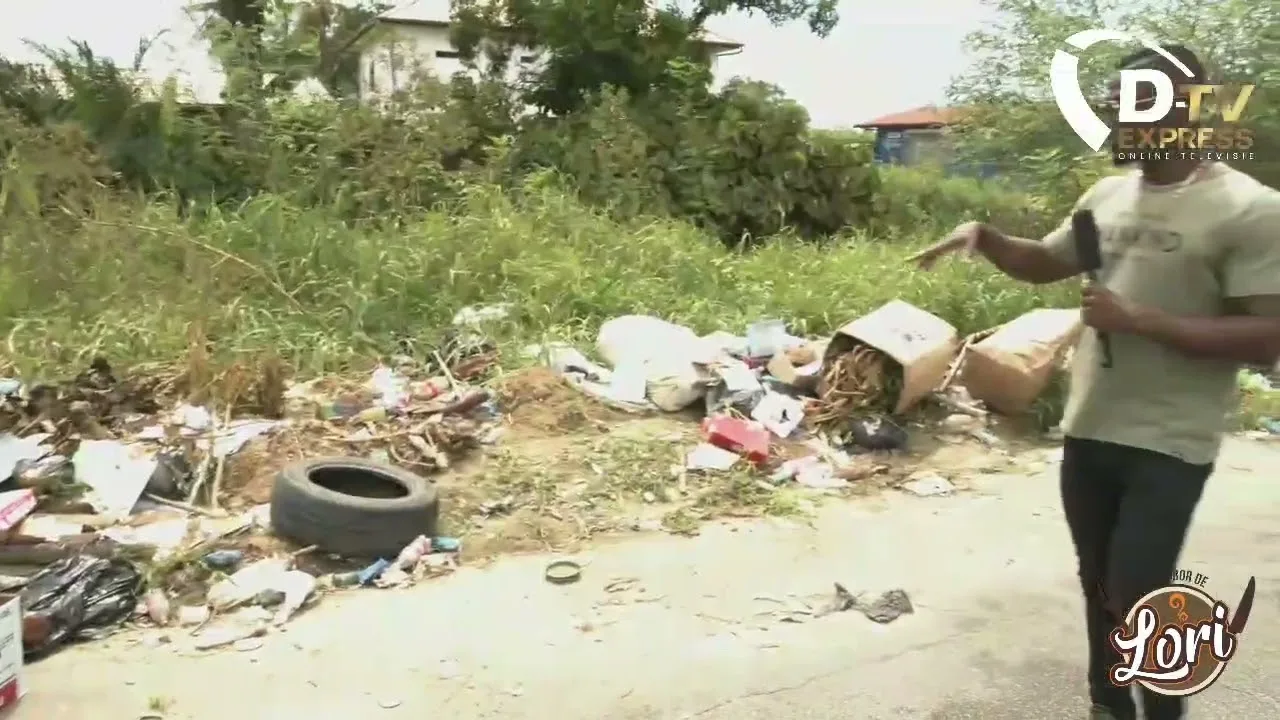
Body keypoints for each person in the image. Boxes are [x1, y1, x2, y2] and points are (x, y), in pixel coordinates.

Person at [909, 44, 1280, 720]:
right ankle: (1108, 706)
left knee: (1140, 587)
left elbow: (1265, 335)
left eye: (1135, 103)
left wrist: (1140, 320)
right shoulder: (1105, 196)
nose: (1117, 115)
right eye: (1115, 102)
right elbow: (1046, 263)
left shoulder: (1250, 209)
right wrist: (987, 238)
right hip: (1090, 426)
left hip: (1172, 438)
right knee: (1099, 583)